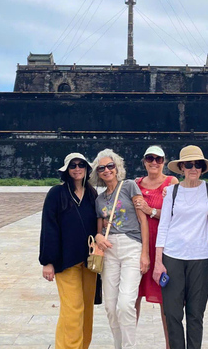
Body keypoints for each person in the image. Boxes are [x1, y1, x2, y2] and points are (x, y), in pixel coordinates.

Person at [152, 145, 208, 349]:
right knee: (172, 313)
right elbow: (164, 226)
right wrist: (158, 262)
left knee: (195, 314)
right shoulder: (172, 192)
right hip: (173, 256)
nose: (193, 168)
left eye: (198, 165)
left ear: (203, 168)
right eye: (189, 165)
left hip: (201, 258)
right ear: (181, 167)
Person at [39, 152, 98, 349]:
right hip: (65, 261)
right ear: (66, 170)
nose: (77, 169)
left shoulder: (92, 194)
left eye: (81, 165)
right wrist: (48, 261)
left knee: (86, 309)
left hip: (89, 262)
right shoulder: (57, 194)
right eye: (73, 165)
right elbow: (49, 227)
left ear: (87, 169)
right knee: (72, 309)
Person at [92, 149, 150, 349]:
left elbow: (143, 220)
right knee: (110, 306)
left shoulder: (129, 186)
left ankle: (129, 346)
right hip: (109, 250)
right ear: (98, 173)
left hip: (131, 247)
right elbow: (98, 230)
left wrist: (145, 253)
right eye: (102, 168)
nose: (107, 170)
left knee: (125, 304)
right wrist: (98, 237)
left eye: (110, 166)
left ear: (117, 168)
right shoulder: (99, 200)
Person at [133, 145, 179, 349]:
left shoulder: (171, 182)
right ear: (144, 161)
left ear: (164, 162)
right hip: (140, 246)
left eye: (158, 159)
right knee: (132, 298)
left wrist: (150, 210)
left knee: (165, 301)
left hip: (163, 247)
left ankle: (170, 345)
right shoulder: (135, 184)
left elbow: (177, 214)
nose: (154, 162)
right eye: (150, 158)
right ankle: (127, 344)